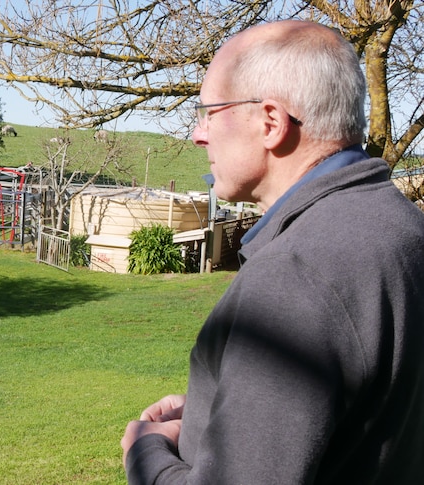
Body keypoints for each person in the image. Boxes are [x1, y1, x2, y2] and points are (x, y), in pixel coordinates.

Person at [121, 19, 424, 484]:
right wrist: (226, 406)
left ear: (271, 123)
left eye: (209, 112)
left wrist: (146, 453)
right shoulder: (403, 228)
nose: (199, 135)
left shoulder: (298, 272)